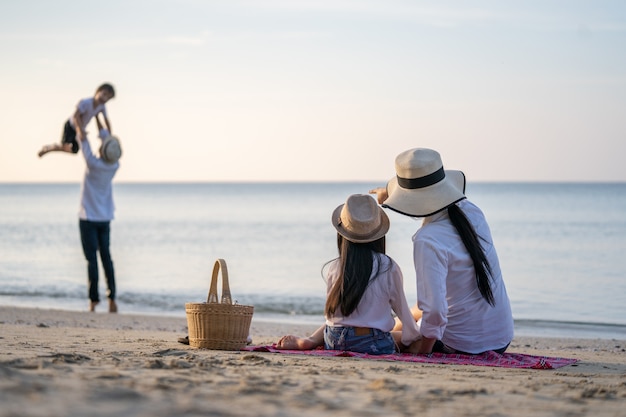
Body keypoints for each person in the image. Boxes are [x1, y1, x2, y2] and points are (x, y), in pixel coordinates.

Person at [369, 148, 514, 355]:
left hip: (463, 344)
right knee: (413, 313)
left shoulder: (427, 240)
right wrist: (389, 195)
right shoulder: (471, 211)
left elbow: (435, 312)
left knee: (382, 337)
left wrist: (422, 351)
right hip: (500, 336)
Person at [275, 194, 420, 354]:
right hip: (371, 342)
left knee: (347, 322)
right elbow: (404, 314)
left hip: (334, 340)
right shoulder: (388, 266)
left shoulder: (335, 266)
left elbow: (333, 317)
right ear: (379, 234)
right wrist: (412, 337)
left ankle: (310, 341)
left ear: (342, 234)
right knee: (407, 337)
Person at [77, 115, 122, 313]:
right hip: (105, 217)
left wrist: (81, 119)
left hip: (88, 217)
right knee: (107, 258)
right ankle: (112, 299)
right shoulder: (114, 165)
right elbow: (108, 136)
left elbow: (82, 137)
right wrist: (99, 114)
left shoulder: (93, 164)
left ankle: (93, 301)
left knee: (91, 260)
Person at [38, 83, 115, 157]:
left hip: (79, 130)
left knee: (74, 150)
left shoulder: (102, 107)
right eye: (104, 94)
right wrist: (80, 130)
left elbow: (106, 120)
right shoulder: (86, 102)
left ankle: (52, 148)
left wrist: (110, 135)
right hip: (71, 126)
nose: (104, 98)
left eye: (108, 98)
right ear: (98, 91)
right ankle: (49, 148)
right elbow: (76, 116)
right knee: (65, 146)